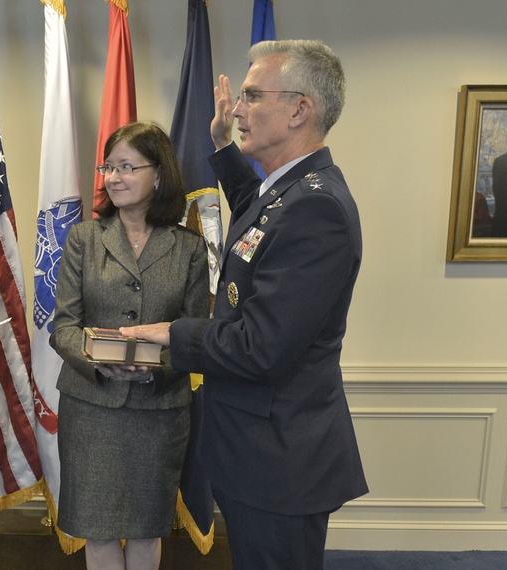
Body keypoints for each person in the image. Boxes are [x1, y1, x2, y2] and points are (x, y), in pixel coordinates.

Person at [122, 40, 368, 569]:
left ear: (300, 109)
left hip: (281, 460)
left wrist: (174, 333)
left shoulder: (315, 209)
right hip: (261, 450)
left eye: (253, 96)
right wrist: (223, 150)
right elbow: (259, 221)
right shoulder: (292, 192)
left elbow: (262, 347)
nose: (236, 109)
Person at [49, 121, 209, 570]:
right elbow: (63, 327)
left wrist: (155, 368)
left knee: (146, 529)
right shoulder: (84, 238)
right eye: (108, 167)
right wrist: (100, 364)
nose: (113, 177)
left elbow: (197, 334)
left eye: (126, 167)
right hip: (92, 407)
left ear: (158, 175)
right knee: (97, 532)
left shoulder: (190, 248)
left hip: (159, 411)